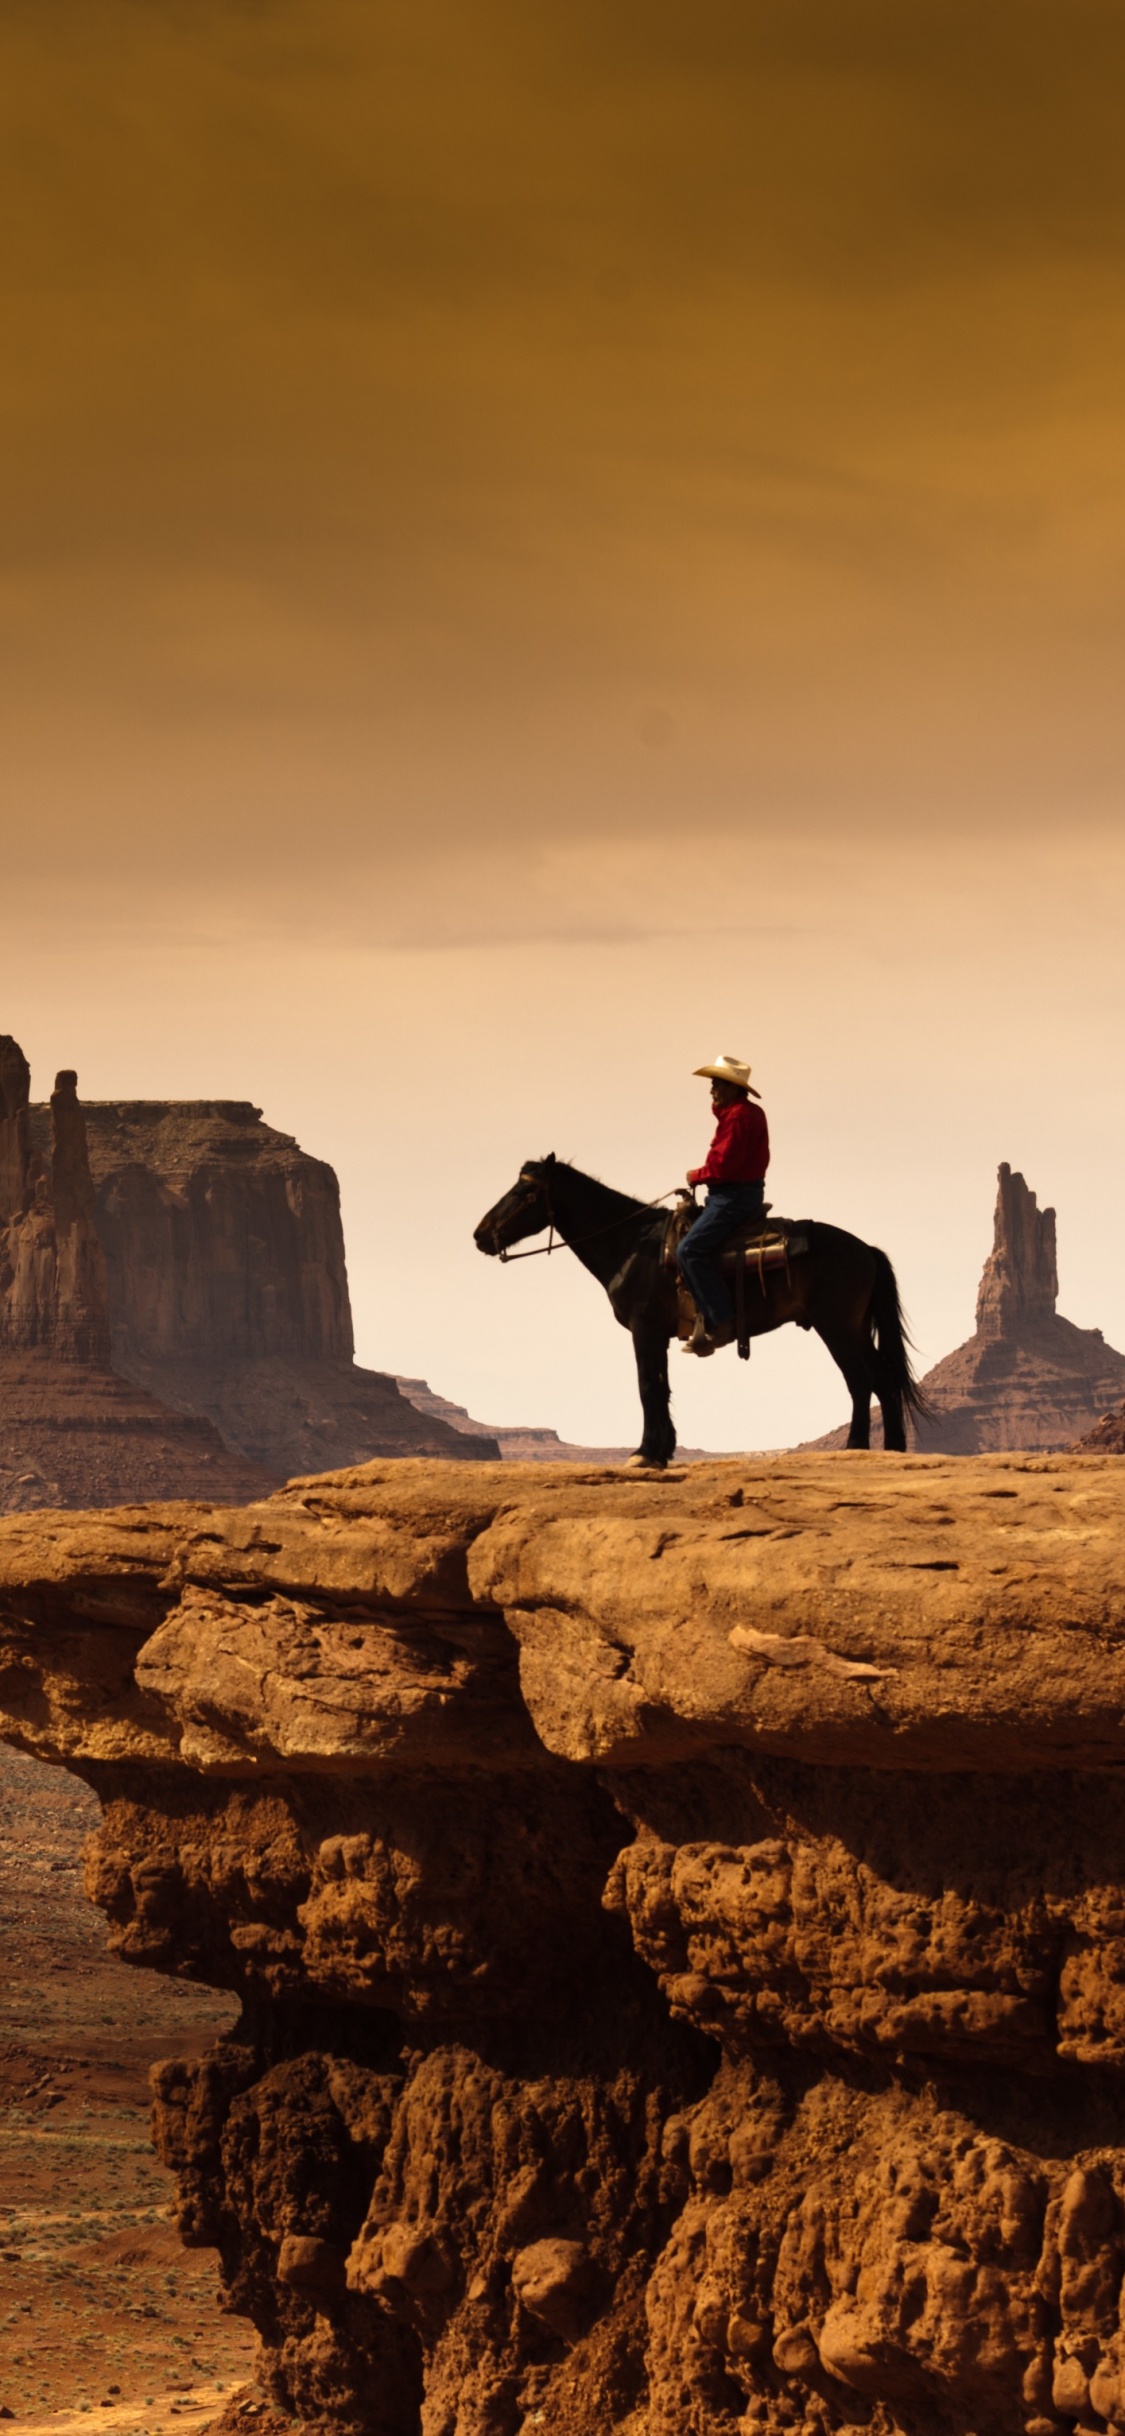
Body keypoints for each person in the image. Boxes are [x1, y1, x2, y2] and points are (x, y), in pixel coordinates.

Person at [677, 1055, 770, 1356]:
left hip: (732, 1197)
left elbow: (723, 1167)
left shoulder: (739, 1117)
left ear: (732, 1087)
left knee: (689, 1250)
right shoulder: (741, 1113)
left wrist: (696, 1175)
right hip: (737, 1193)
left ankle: (721, 1321)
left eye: (717, 1084)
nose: (711, 1090)